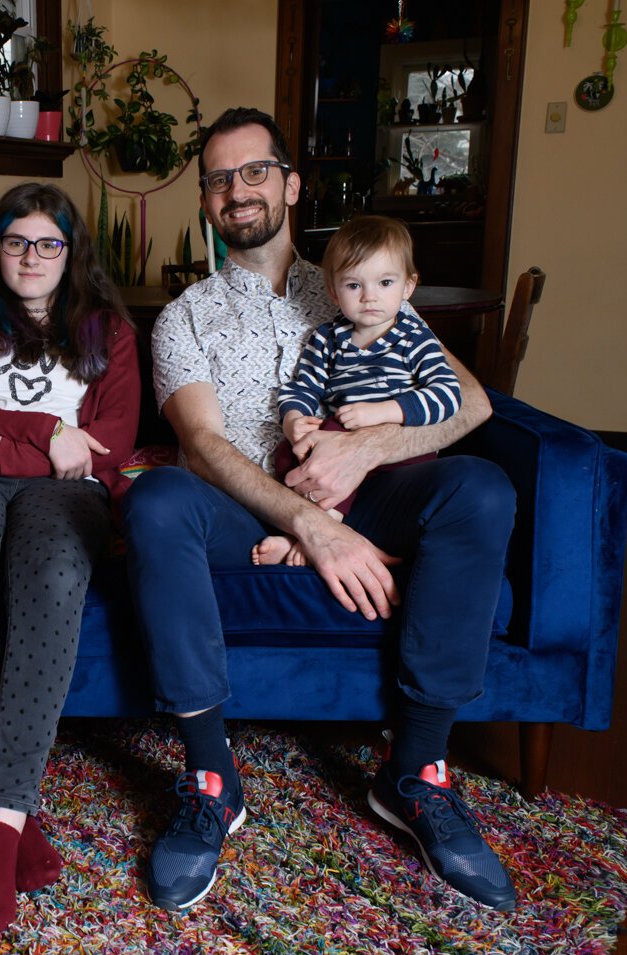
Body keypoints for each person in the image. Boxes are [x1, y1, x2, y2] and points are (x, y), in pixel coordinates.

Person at [123, 106, 518, 913]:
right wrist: (309, 524)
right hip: (241, 512)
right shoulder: (183, 317)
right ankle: (210, 778)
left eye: (255, 171)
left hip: (370, 498)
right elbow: (200, 446)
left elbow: (469, 404)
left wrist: (361, 453)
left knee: (479, 488)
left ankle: (416, 773)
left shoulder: (357, 280)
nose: (238, 190)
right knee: (160, 495)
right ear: (205, 200)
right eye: (220, 178)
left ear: (291, 184)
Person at [0, 183, 140, 934]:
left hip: (63, 492)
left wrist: (8, 450)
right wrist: (44, 429)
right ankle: (14, 812)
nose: (32, 257)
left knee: (54, 572)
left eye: (49, 243)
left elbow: (115, 445)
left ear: (72, 252)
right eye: (17, 242)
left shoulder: (108, 329)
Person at [253, 214, 460, 566]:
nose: (369, 297)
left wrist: (385, 411)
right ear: (333, 291)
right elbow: (302, 386)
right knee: (291, 452)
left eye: (384, 282)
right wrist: (294, 419)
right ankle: (311, 530)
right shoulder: (327, 339)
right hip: (341, 440)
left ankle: (319, 531)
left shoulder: (415, 338)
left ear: (408, 287)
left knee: (336, 437)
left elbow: (447, 394)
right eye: (353, 286)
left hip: (399, 452)